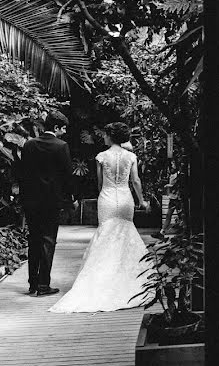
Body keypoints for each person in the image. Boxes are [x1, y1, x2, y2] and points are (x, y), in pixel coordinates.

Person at [49, 122, 155, 313]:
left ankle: (102, 278)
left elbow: (100, 183)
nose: (103, 137)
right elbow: (136, 180)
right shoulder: (130, 156)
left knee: (106, 234)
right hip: (124, 198)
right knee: (125, 233)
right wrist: (142, 201)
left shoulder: (101, 157)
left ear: (111, 136)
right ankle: (126, 277)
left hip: (106, 198)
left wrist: (104, 194)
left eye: (106, 134)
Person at [19, 110, 78, 296]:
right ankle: (44, 284)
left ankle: (32, 283)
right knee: (48, 240)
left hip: (30, 201)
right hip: (51, 202)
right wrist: (72, 198)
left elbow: (22, 174)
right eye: (63, 128)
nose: (65, 132)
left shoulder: (29, 145)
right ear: (56, 127)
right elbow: (67, 176)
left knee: (34, 239)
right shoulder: (61, 146)